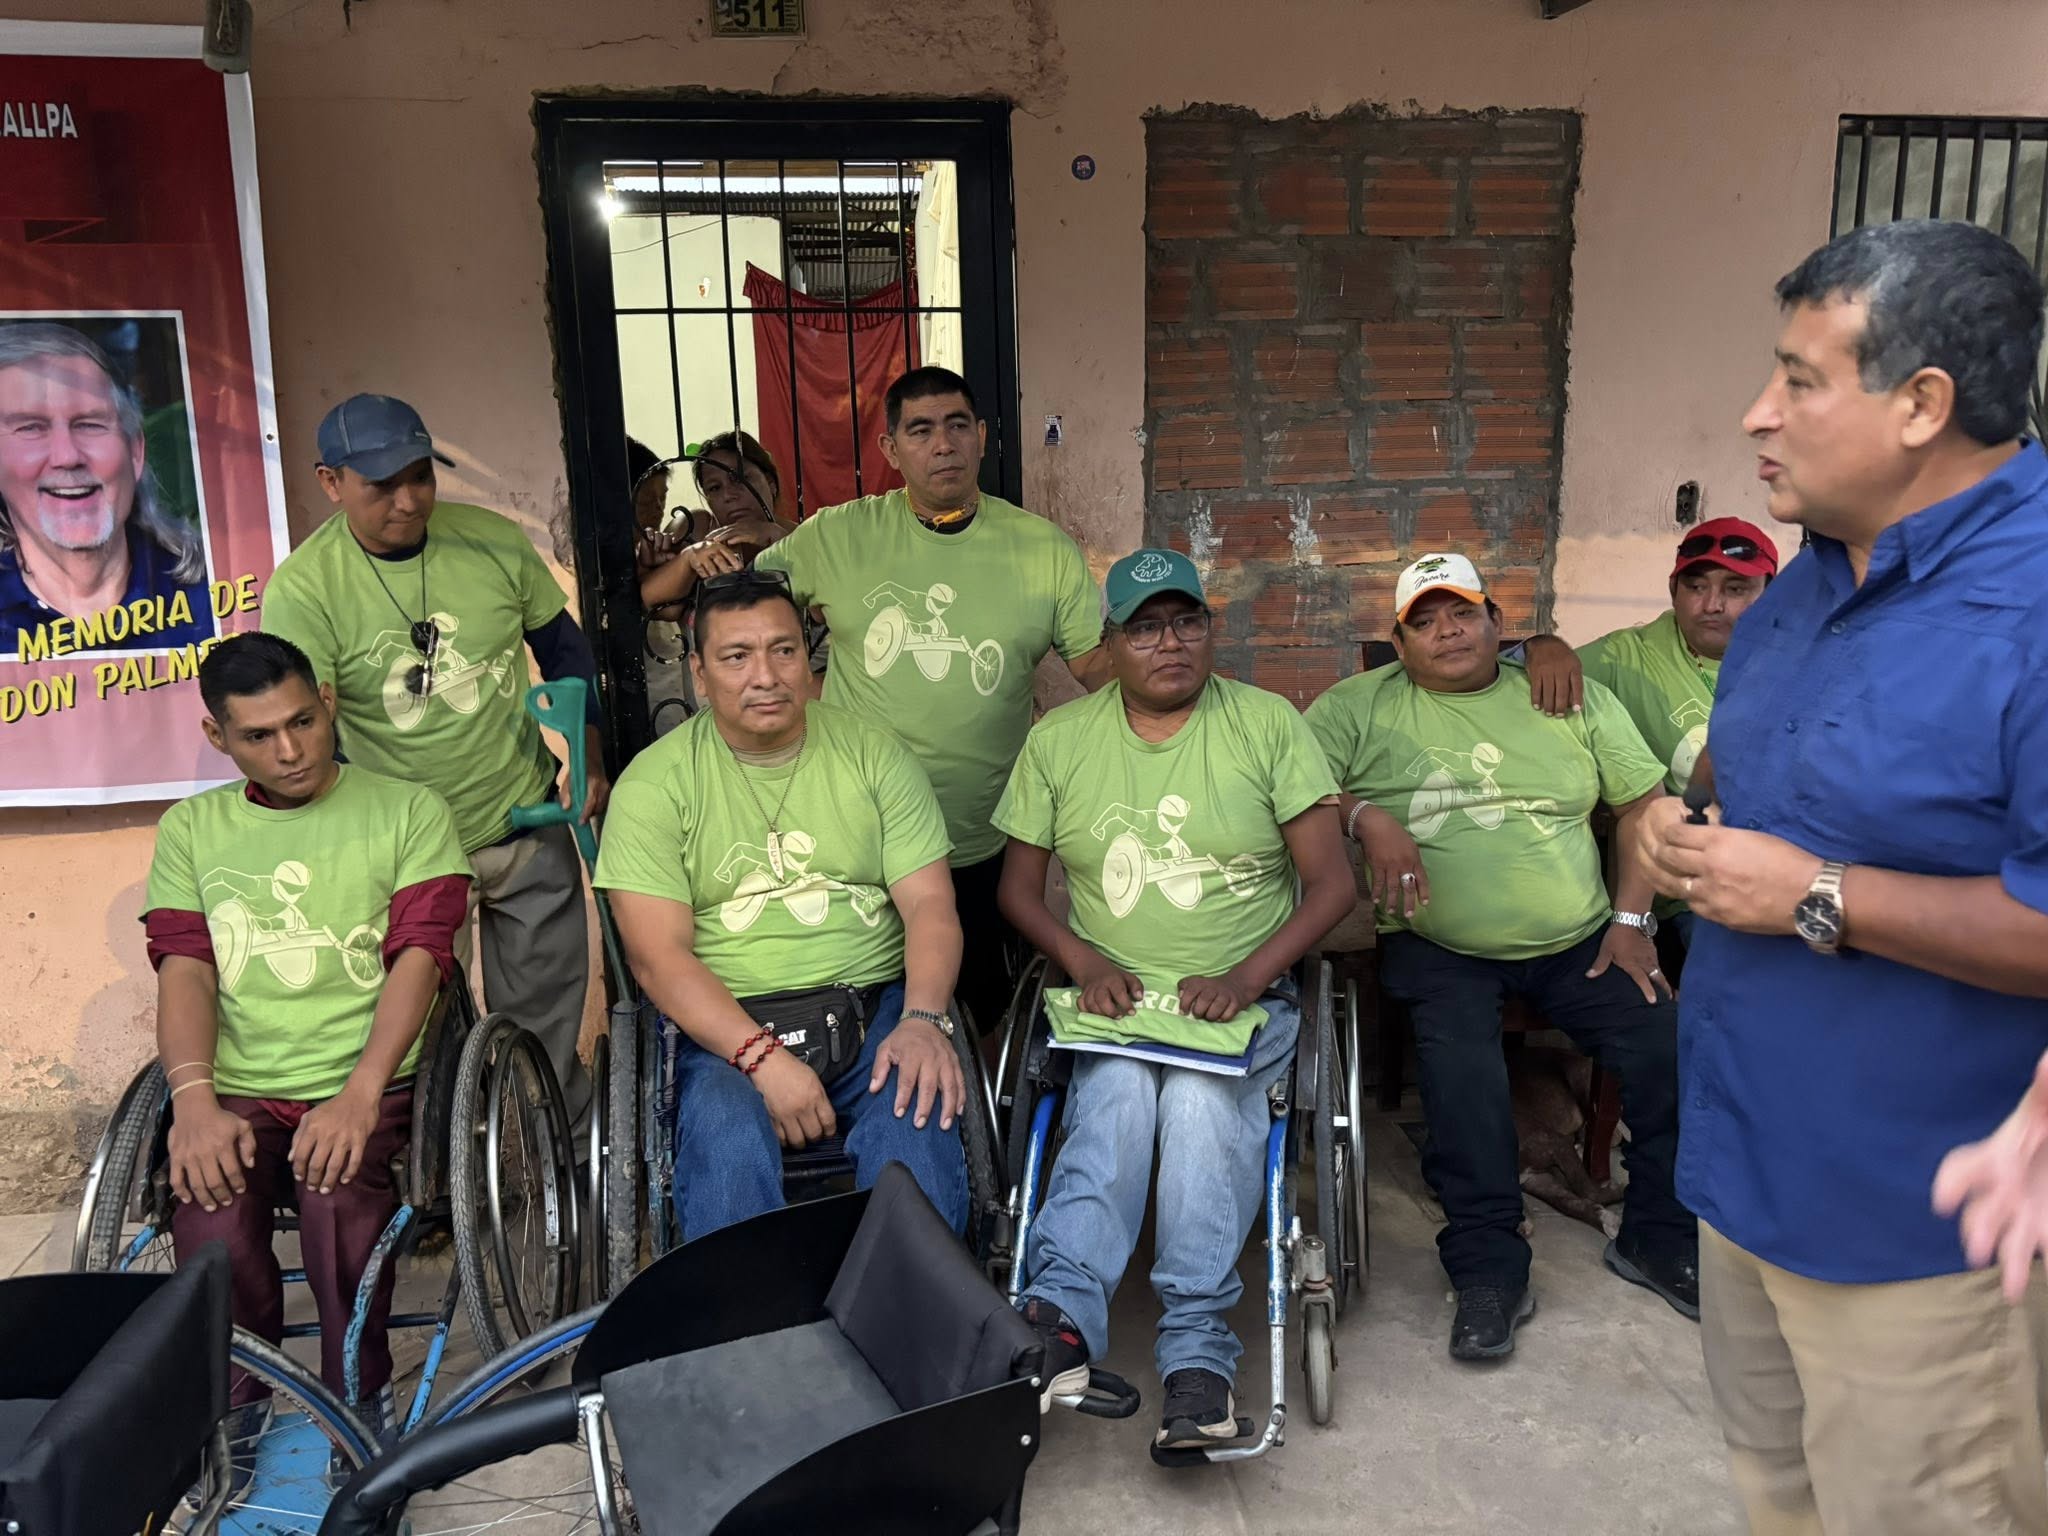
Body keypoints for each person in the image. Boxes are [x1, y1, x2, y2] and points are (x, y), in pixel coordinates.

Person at [1637, 219, 2048, 1535]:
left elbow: (1817, 868)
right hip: (1748, 1174)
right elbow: (1758, 800)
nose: (1760, 413)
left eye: (1802, 380)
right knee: (1780, 1499)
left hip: (1922, 1229)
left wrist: (1821, 897)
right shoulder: (1803, 587)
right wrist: (1677, 831)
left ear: (1923, 404)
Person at [993, 549, 1353, 1448]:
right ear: (1108, 643)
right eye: (1145, 627)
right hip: (1116, 1003)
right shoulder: (1060, 741)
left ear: (1209, 628)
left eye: (1186, 621)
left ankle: (1199, 1362)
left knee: (1195, 1104)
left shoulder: (1266, 724)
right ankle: (1062, 1324)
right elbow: (1018, 892)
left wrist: (1243, 977)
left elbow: (1332, 886)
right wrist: (1080, 958)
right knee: (1114, 1097)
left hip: (1241, 1003)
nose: (1170, 644)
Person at [1306, 551, 1696, 1361]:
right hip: (1438, 942)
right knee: (1462, 1081)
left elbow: (1642, 808)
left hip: (1582, 939)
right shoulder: (1354, 707)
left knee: (1672, 1048)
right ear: (1398, 641)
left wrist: (1633, 918)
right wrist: (1363, 816)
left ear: (1497, 625)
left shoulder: (1561, 691)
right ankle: (1489, 1264)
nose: (1446, 631)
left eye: (1462, 613)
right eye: (1425, 620)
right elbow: (1293, 785)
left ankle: (1657, 1235)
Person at [142, 632, 469, 1433]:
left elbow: (422, 958)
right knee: (209, 1208)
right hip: (243, 1083)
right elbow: (185, 967)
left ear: (327, 701)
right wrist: (193, 1102)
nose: (291, 751)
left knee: (336, 1191)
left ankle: (357, 1395)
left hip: (374, 1074)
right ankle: (235, 1407)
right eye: (259, 735)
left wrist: (359, 1095)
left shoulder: (408, 811)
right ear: (218, 736)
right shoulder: (190, 831)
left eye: (303, 721)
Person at [260, 394, 606, 1127]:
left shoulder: (492, 542)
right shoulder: (306, 587)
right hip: (405, 849)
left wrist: (589, 755)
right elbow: (310, 724)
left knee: (544, 1017)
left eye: (421, 476)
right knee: (418, 1031)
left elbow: (565, 652)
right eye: (382, 485)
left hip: (521, 817)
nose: (409, 500)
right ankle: (442, 1177)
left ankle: (562, 1153)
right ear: (331, 482)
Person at [596, 569, 970, 1240]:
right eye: (736, 657)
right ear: (700, 675)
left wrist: (921, 1018)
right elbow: (657, 959)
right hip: (722, 1025)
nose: (765, 675)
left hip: (874, 1007)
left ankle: (920, 1330)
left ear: (806, 658)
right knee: (727, 1143)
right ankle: (748, 1336)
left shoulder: (874, 756)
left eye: (784, 650)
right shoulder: (654, 786)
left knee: (917, 1124)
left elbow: (931, 905)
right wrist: (761, 1060)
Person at [753, 367, 1113, 1038]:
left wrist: (1178, 676)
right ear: (891, 449)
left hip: (986, 836)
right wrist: (701, 561)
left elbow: (1097, 667)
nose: (942, 444)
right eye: (920, 430)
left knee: (981, 1020)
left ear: (980, 437)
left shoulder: (1043, 551)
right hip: (859, 837)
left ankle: (981, 1138)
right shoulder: (837, 536)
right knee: (869, 1018)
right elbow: (747, 611)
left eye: (956, 426)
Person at [1577, 517, 1778, 970]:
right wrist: (1541, 648)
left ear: (1772, 594)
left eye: (1736, 589)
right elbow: (1503, 680)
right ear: (1673, 590)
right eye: (1696, 586)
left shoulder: (1799, 663)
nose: (1712, 604)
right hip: (1690, 893)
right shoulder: (1624, 657)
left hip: (1782, 872)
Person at [0, 320, 212, 654]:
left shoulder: (215, 592)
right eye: (30, 429)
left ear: (136, 450)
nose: (67, 456)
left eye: (90, 424)